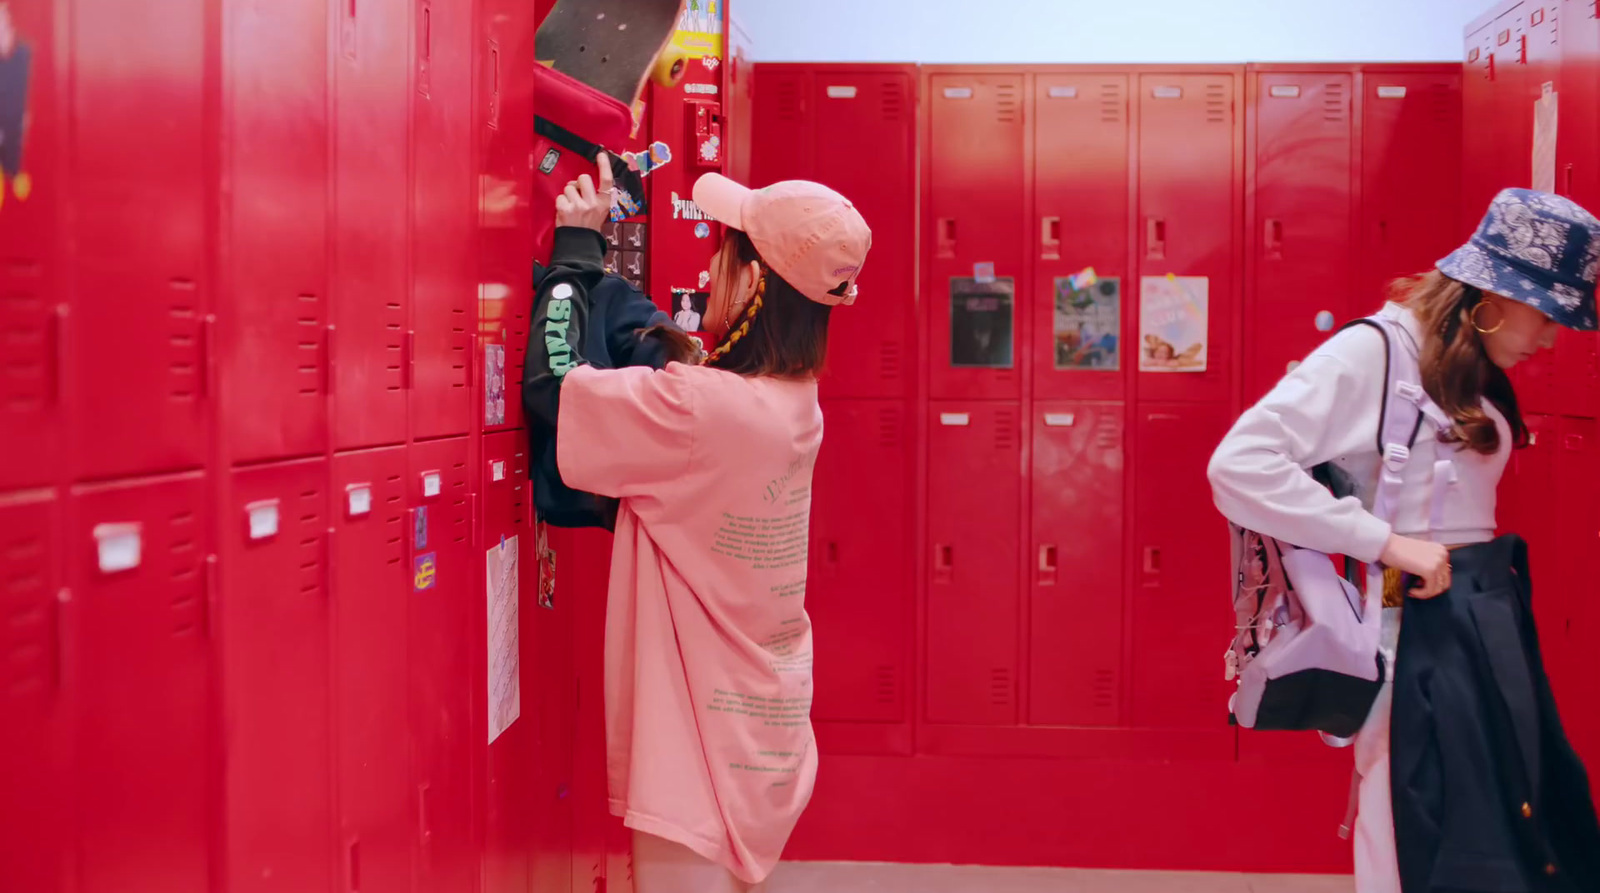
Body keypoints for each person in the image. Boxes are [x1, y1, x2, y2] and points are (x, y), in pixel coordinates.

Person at [1208, 187, 1600, 892]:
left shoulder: (1462, 361)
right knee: (1416, 822)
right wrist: (1383, 542)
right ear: (1492, 293)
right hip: (1413, 615)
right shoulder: (1375, 351)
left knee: (1496, 822)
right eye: (1548, 312)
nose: (1551, 337)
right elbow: (1239, 463)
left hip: (1479, 613)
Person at [522, 153, 871, 893]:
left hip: (698, 755)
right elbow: (687, 382)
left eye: (724, 250)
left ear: (751, 282)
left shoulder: (701, 412)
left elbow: (555, 392)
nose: (709, 267)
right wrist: (635, 318)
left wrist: (574, 255)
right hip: (758, 734)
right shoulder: (792, 401)